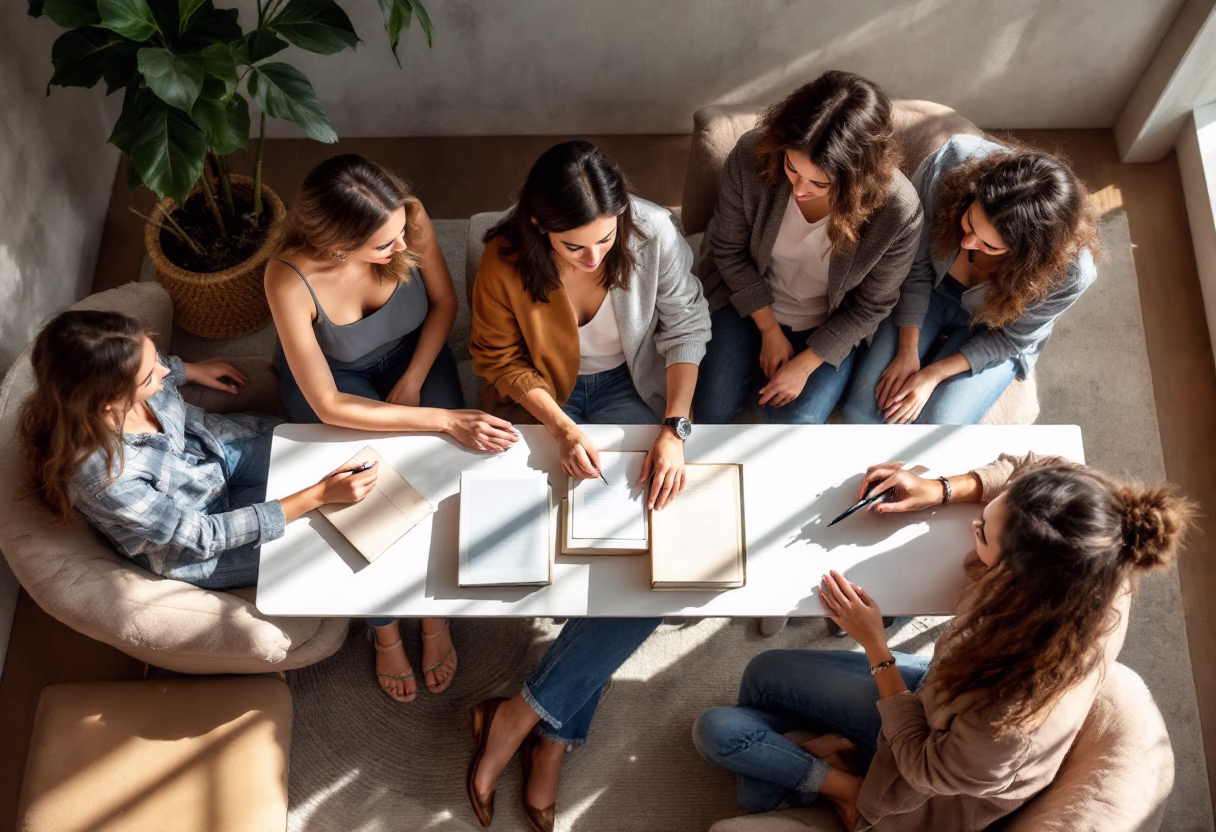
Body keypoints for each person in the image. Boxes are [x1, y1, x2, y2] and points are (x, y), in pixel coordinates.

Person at [692, 454, 1192, 830]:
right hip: (934, 700)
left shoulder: (1008, 722)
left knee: (721, 736)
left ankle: (847, 788)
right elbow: (1035, 467)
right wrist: (940, 489)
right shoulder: (1098, 560)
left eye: (982, 534)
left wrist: (876, 648)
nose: (974, 527)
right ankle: (820, 753)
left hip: (916, 777)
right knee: (761, 672)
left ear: (1020, 578)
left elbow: (923, 766)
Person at [466, 140, 710, 831]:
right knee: (549, 549)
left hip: (635, 395)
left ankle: (520, 719)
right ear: (540, 226)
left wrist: (675, 427)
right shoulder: (503, 259)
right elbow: (497, 357)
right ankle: (551, 739)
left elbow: (687, 324)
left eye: (606, 238)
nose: (595, 257)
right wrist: (559, 426)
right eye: (576, 245)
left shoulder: (653, 230)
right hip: (547, 399)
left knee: (654, 570)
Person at [266, 154, 503, 701]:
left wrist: (417, 377)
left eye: (400, 235)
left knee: (448, 475)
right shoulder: (288, 278)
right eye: (385, 245)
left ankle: (432, 618)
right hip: (335, 384)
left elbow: (444, 304)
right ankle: (385, 629)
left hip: (413, 357)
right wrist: (441, 417)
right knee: (364, 500)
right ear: (336, 246)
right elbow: (326, 402)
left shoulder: (408, 220)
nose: (403, 249)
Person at [18, 309, 376, 590]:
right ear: (109, 401)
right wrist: (317, 495)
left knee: (330, 454)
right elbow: (206, 535)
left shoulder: (129, 375)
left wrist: (187, 369)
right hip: (200, 540)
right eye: (148, 377)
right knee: (328, 541)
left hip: (217, 451)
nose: (162, 372)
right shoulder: (107, 479)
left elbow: (156, 367)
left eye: (155, 355)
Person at [691, 70, 922, 425]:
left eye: (820, 182)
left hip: (828, 324)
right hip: (745, 302)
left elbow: (873, 306)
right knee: (711, 411)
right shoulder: (752, 156)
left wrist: (807, 362)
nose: (799, 190)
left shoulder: (898, 211)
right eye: (792, 168)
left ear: (858, 177)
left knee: (798, 425)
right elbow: (727, 251)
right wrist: (768, 329)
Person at [842, 135, 1102, 425]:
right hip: (931, 290)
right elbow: (914, 264)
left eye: (989, 245)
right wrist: (907, 349)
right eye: (968, 222)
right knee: (861, 413)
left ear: (1027, 256)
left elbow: (1011, 338)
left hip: (996, 327)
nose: (966, 243)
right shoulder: (948, 167)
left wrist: (932, 374)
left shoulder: (1071, 273)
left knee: (935, 428)